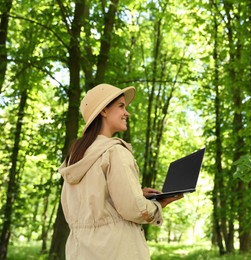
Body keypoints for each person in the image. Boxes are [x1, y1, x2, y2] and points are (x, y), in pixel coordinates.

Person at [60, 83, 183, 259]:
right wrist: (159, 205)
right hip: (117, 250)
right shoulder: (114, 151)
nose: (127, 113)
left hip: (79, 250)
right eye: (121, 106)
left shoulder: (75, 157)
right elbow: (134, 209)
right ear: (103, 111)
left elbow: (91, 201)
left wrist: (136, 193)